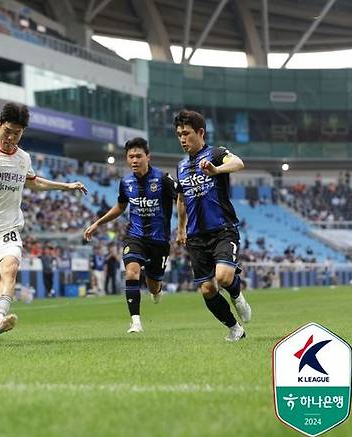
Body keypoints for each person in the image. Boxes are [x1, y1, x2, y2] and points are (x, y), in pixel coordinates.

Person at [0, 102, 87, 337]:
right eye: (7, 131)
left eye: (16, 133)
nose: (11, 137)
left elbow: (34, 182)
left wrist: (66, 186)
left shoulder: (23, 159)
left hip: (7, 227)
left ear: (23, 133)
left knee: (10, 269)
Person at [173, 109, 251, 342]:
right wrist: (180, 228)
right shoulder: (181, 166)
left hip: (222, 228)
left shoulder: (216, 153)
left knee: (225, 277)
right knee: (207, 289)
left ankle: (237, 297)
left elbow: (238, 163)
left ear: (200, 132)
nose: (182, 139)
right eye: (178, 134)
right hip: (196, 236)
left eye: (186, 133)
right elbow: (181, 197)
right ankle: (235, 328)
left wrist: (217, 170)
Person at [84, 137, 176, 333]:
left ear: (148, 157)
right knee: (132, 271)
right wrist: (98, 223)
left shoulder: (163, 179)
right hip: (135, 236)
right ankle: (135, 322)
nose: (134, 160)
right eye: (131, 157)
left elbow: (182, 200)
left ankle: (157, 290)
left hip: (159, 240)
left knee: (153, 286)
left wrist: (184, 227)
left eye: (138, 156)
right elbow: (120, 207)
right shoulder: (125, 182)